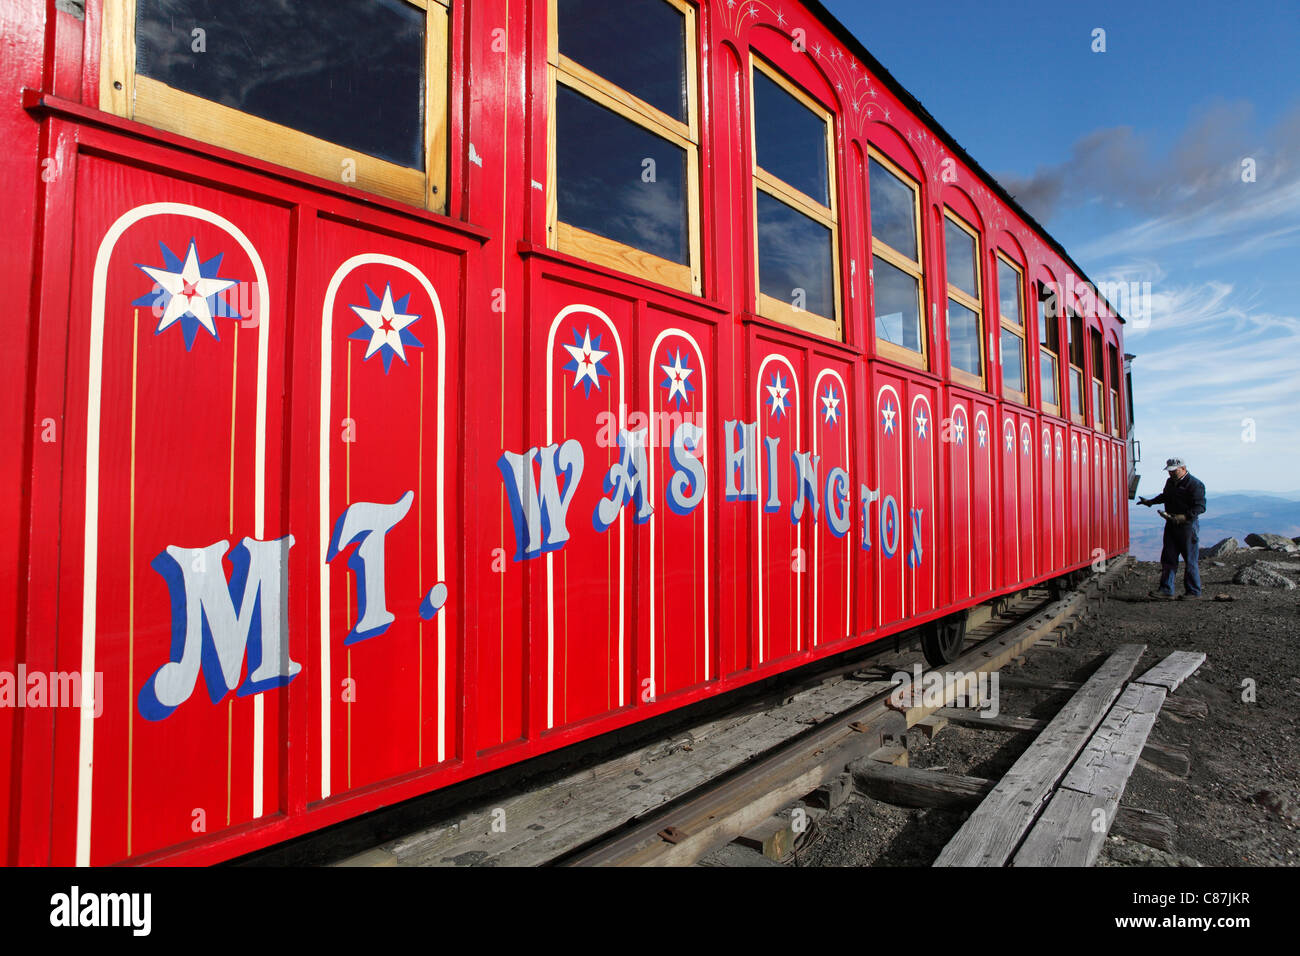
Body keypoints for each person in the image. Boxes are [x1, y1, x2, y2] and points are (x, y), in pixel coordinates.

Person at [1137, 457, 1206, 599]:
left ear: (1183, 468)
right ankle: (1166, 590)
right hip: (1171, 523)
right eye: (1169, 471)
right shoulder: (1170, 482)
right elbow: (1165, 496)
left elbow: (1200, 507)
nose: (1171, 474)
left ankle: (1193, 591)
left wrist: (1184, 517)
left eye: (1174, 471)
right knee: (1168, 558)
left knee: (1190, 559)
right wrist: (1150, 502)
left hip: (1187, 526)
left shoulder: (1195, 484)